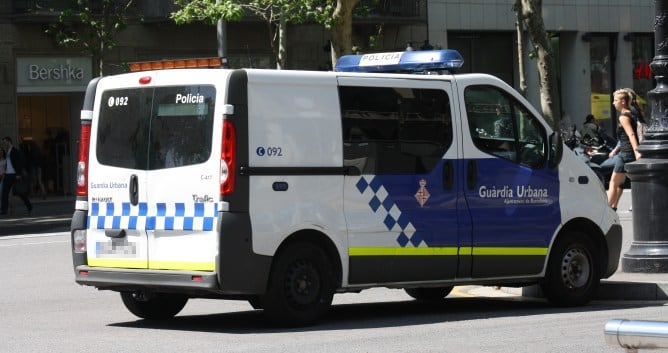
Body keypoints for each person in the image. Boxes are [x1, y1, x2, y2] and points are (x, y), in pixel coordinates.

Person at [607, 89, 641, 211]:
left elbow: (631, 135)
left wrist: (637, 152)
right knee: (621, 183)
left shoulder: (623, 117)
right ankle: (613, 207)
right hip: (627, 152)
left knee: (613, 183)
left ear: (622, 102)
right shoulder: (632, 113)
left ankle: (605, 209)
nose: (613, 103)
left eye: (615, 100)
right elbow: (625, 137)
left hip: (626, 154)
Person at [0, 136, 33, 216]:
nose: (4, 144)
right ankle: (4, 210)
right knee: (5, 192)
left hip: (14, 175)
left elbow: (20, 162)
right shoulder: (7, 151)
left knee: (19, 192)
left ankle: (29, 206)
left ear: (9, 142)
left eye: (5, 142)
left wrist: (18, 174)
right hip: (8, 175)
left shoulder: (15, 151)